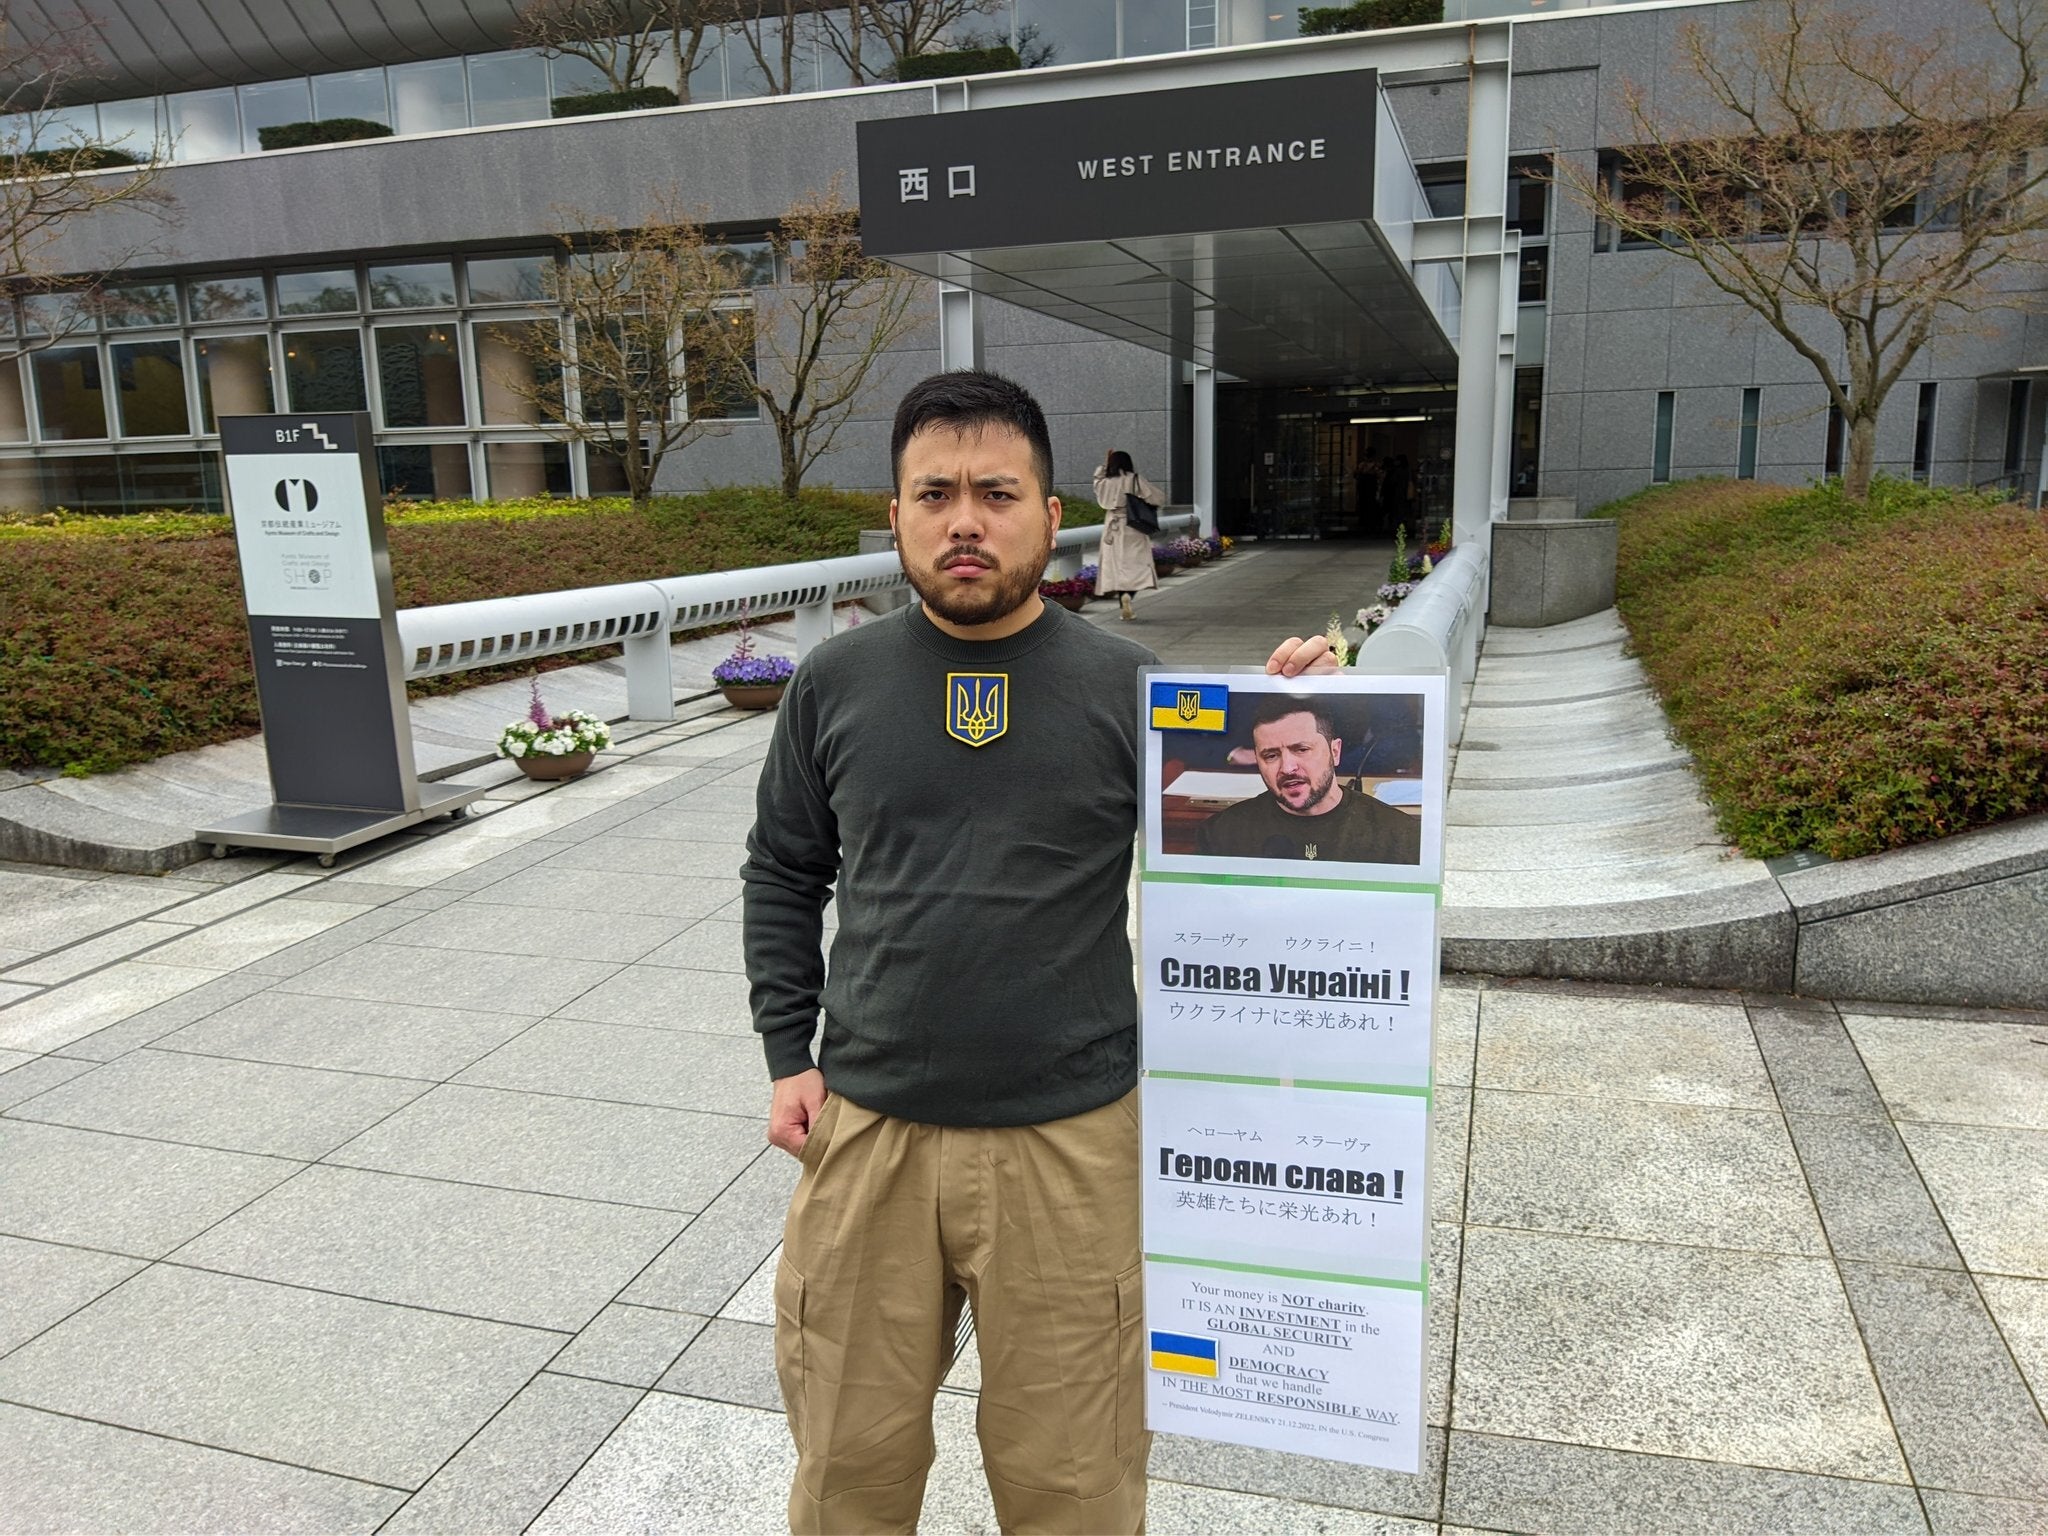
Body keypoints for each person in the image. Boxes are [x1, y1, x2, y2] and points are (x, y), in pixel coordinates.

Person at [742, 369, 1334, 1535]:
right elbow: (783, 870)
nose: (964, 521)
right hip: (868, 1131)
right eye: (935, 495)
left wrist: (1314, 715)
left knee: (1074, 1484)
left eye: (996, 493)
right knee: (845, 1471)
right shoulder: (834, 684)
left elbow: (1255, 867)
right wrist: (785, 1054)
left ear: (1049, 512)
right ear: (897, 515)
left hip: (1073, 1142)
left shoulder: (1129, 689)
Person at [1194, 693, 1421, 865]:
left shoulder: (1400, 836)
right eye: (1271, 755)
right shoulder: (1220, 835)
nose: (1287, 768)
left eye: (1301, 749)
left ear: (1335, 752)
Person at [1090, 448, 1164, 621]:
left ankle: (1122, 601)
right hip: (1133, 525)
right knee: (1137, 565)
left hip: (1112, 528)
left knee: (1116, 568)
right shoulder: (1134, 479)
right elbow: (1158, 498)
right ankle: (1128, 596)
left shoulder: (1104, 483)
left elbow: (1097, 479)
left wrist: (1105, 464)